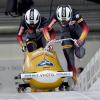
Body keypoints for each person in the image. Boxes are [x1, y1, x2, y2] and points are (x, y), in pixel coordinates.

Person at [42, 4, 89, 81]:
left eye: (66, 20)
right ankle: (74, 79)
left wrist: (80, 40)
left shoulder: (76, 15)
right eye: (62, 21)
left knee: (79, 54)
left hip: (78, 34)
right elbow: (45, 29)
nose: (64, 22)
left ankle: (80, 48)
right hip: (66, 34)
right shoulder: (56, 16)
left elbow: (85, 28)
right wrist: (49, 40)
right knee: (69, 59)